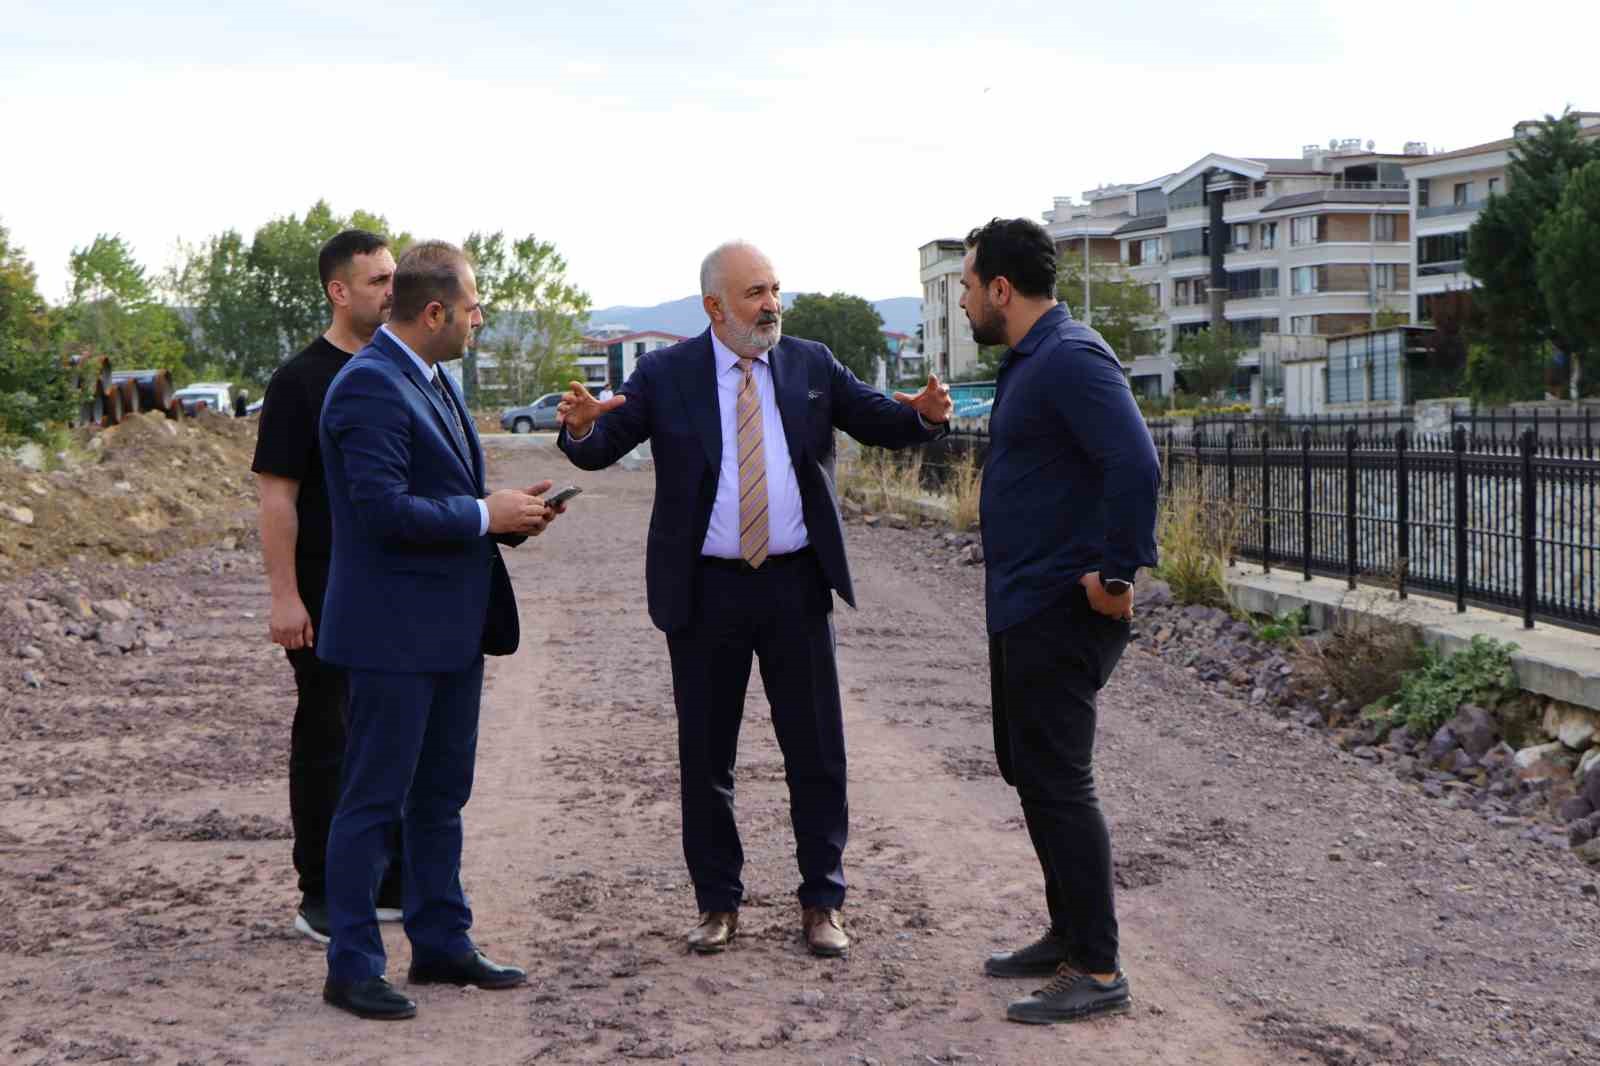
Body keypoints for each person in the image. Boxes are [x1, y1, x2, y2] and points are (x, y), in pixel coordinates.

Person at [557, 240, 952, 958]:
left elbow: (878, 418)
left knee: (816, 750)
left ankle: (823, 901)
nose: (771, 304)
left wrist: (923, 415)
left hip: (795, 585)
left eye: (775, 289)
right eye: (754, 293)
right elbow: (599, 446)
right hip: (705, 591)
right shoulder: (667, 374)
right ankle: (717, 904)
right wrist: (580, 425)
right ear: (715, 307)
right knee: (707, 755)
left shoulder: (809, 363)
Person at [317, 240, 561, 1021]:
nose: (479, 317)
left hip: (449, 632)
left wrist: (507, 516)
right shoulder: (368, 389)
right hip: (391, 638)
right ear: (433, 313)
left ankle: (440, 942)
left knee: (440, 796)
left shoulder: (433, 380)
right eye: (472, 306)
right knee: (372, 802)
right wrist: (485, 513)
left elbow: (442, 498)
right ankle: (352, 965)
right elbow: (382, 512)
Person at [958, 218, 1159, 1024]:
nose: (967, 299)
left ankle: (1099, 966)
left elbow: (1135, 461)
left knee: (1062, 782)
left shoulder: (1071, 357)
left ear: (1002, 290)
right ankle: (1066, 934)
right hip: (1022, 602)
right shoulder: (1033, 360)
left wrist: (1116, 572)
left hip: (1059, 606)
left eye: (970, 285)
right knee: (1030, 770)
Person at [253, 229, 406, 946]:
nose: (390, 290)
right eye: (377, 280)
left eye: (394, 278)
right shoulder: (299, 381)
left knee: (396, 732)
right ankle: (319, 890)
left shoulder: (402, 370)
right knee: (328, 736)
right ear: (338, 291)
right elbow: (277, 498)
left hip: (396, 588)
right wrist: (285, 597)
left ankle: (390, 879)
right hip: (324, 587)